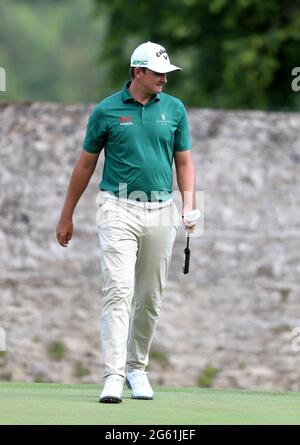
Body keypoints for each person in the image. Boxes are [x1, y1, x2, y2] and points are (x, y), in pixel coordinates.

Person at [56, 41, 198, 403]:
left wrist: (189, 206)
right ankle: (113, 375)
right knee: (118, 290)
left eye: (166, 73)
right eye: (157, 73)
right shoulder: (106, 110)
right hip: (117, 207)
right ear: (137, 72)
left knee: (150, 296)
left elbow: (184, 163)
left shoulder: (175, 109)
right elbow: (85, 164)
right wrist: (66, 214)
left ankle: (137, 369)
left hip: (161, 209)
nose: (164, 79)